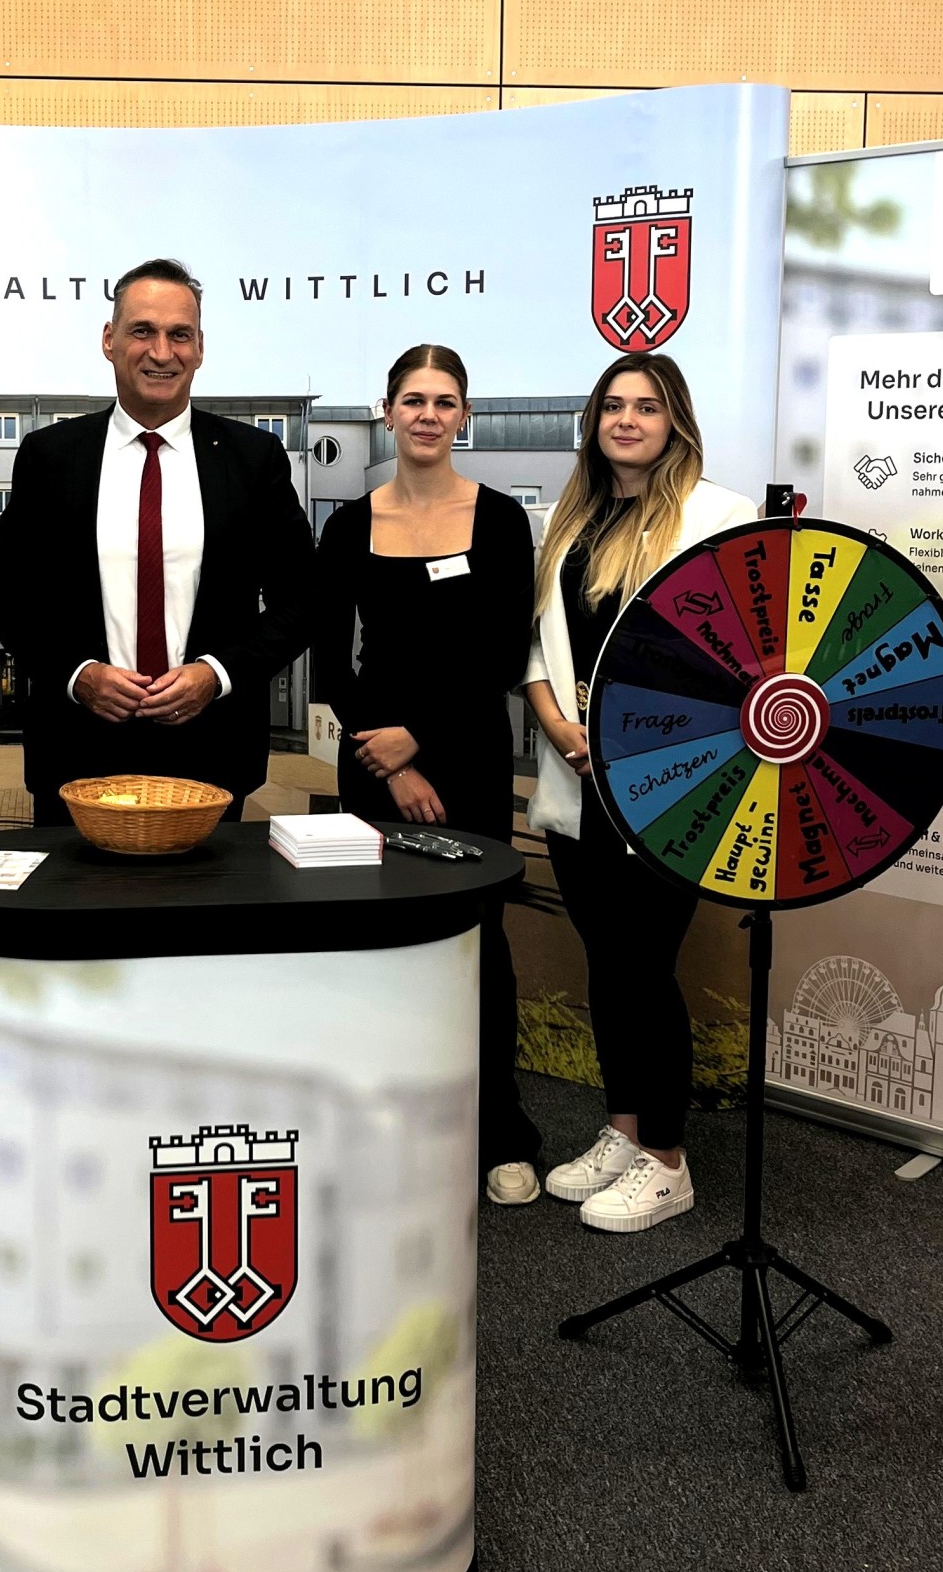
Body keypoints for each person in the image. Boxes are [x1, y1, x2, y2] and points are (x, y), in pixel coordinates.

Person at [523, 354, 756, 1231]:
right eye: (613, 406)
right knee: (609, 966)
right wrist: (556, 724)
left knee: (646, 969)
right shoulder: (567, 518)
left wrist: (631, 738)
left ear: (675, 421)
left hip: (667, 788)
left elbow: (742, 656)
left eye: (646, 406)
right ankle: (622, 1130)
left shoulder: (718, 518)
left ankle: (668, 1158)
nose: (627, 420)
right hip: (576, 779)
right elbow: (539, 653)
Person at [312, 345, 544, 1204]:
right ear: (386, 410)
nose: (428, 414)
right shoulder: (346, 525)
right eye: (413, 399)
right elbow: (331, 658)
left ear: (465, 417)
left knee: (477, 940)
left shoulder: (499, 520)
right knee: (378, 942)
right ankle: (388, 1125)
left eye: (445, 401)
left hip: (467, 752)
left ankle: (499, 1133)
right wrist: (387, 750)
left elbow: (500, 649)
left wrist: (422, 742)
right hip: (373, 757)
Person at [0, 258, 315, 816]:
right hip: (77, 753)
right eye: (143, 331)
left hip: (212, 755)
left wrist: (218, 673)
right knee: (76, 905)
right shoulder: (50, 457)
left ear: (200, 347)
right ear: (110, 340)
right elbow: (10, 600)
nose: (162, 353)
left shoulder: (253, 459)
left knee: (206, 905)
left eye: (179, 334)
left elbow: (305, 600)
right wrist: (78, 675)